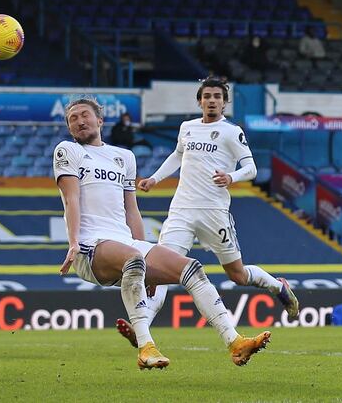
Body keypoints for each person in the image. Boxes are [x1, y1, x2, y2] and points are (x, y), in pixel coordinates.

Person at [53, 97, 271, 370]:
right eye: (72, 118)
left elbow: (131, 211)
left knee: (192, 268)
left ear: (100, 120)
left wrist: (145, 251)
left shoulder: (124, 157)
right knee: (134, 259)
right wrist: (73, 243)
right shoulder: (67, 151)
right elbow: (71, 199)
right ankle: (146, 346)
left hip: (124, 241)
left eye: (84, 115)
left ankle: (234, 341)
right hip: (89, 246)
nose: (79, 121)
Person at [116, 76, 299, 343]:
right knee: (160, 271)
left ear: (224, 103)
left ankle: (276, 285)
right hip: (181, 210)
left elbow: (252, 168)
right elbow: (178, 156)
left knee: (237, 274)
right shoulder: (187, 127)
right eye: (207, 96)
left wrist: (231, 177)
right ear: (199, 101)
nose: (212, 101)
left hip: (214, 212)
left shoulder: (231, 131)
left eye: (217, 97)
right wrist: (155, 178)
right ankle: (142, 327)